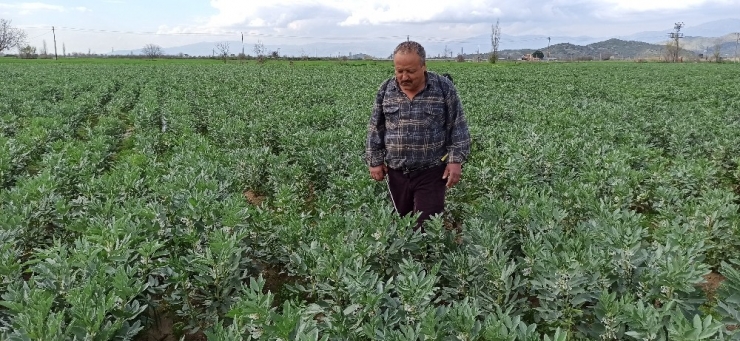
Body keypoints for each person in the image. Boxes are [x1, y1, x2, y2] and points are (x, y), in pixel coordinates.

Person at [364, 41, 471, 231]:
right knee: (401, 225)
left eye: (411, 71)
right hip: (397, 171)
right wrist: (374, 161)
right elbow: (376, 127)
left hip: (431, 171)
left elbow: (458, 126)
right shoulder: (386, 90)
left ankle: (426, 259)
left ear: (424, 66)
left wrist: (455, 161)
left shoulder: (443, 88)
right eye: (399, 71)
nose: (404, 77)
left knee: (428, 226)